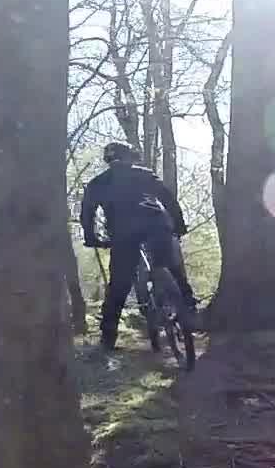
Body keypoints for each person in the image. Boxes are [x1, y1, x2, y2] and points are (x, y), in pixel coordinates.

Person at [80, 142, 199, 350]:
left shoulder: (97, 183)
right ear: (131, 157)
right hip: (157, 225)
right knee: (173, 268)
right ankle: (189, 308)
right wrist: (179, 225)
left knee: (119, 286)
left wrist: (92, 238)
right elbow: (168, 199)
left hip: (123, 234)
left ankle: (108, 339)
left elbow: (87, 215)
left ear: (108, 161)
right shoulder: (145, 174)